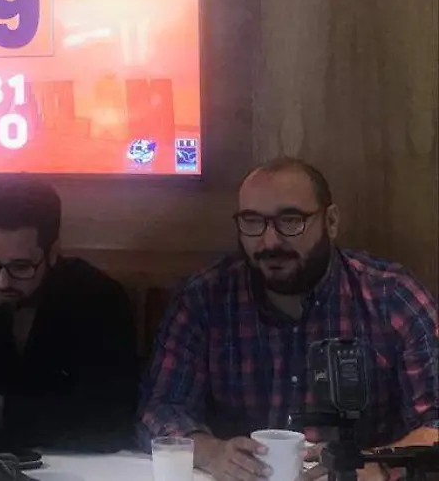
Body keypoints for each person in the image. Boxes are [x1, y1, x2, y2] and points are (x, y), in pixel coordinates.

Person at [139, 157, 438, 481]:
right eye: (252, 221)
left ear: (331, 221)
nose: (270, 242)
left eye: (291, 220)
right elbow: (160, 409)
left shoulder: (392, 297)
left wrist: (375, 464)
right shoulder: (204, 298)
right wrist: (211, 451)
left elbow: (435, 422)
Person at [0, 178, 139, 452]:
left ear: (52, 252)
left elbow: (111, 416)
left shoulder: (99, 299)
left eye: (21, 267)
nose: (2, 282)